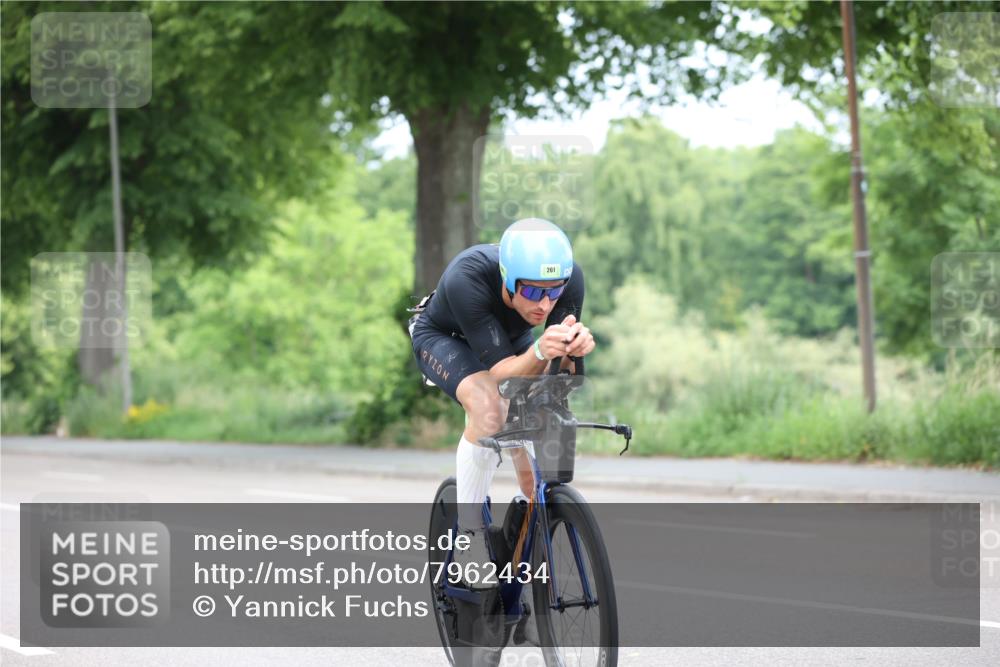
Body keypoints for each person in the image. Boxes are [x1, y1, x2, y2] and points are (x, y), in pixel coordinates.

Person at [409, 218, 595, 588]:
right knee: (491, 409)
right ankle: (470, 535)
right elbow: (503, 376)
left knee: (538, 438)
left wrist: (573, 353)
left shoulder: (570, 281)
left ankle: (519, 579)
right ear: (508, 279)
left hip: (507, 343)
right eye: (532, 292)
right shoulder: (469, 276)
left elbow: (562, 383)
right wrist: (542, 348)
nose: (544, 305)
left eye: (553, 292)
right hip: (446, 338)